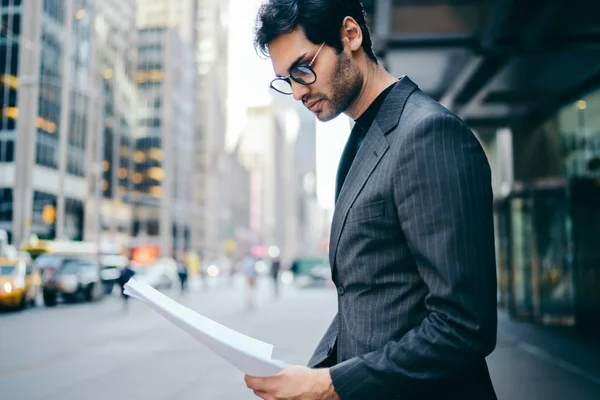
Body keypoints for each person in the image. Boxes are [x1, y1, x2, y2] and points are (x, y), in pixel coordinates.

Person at [244, 1, 498, 399]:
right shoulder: (363, 138)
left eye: (302, 68)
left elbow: (463, 326)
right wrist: (309, 376)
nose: (296, 91)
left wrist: (329, 386)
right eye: (285, 80)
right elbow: (370, 300)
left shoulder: (428, 135)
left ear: (350, 35)